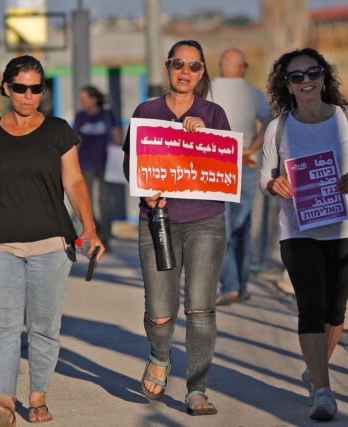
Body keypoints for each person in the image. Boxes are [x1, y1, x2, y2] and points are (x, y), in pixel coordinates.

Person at [0, 55, 104, 427]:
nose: (29, 96)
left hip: (51, 244)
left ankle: (39, 396)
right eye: (21, 88)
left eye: (37, 89)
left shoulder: (59, 130)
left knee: (44, 326)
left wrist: (88, 228)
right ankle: (6, 403)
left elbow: (75, 182)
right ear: (6, 87)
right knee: (3, 324)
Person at [259, 48, 348, 421]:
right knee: (309, 306)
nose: (306, 80)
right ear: (288, 86)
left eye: (313, 72)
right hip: (298, 230)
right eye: (296, 76)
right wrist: (273, 184)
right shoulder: (278, 128)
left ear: (324, 78)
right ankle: (323, 392)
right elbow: (265, 176)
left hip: (346, 227)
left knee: (335, 311)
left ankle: (315, 371)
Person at [122, 39, 230, 416]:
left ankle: (197, 389)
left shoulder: (213, 113)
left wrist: (206, 139)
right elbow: (130, 166)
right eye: (178, 63)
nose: (186, 71)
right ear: (168, 67)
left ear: (202, 73)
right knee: (160, 310)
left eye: (194, 66)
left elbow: (223, 172)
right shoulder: (146, 110)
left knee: (200, 310)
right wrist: (146, 196)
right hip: (158, 222)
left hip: (205, 222)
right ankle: (159, 356)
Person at [209, 48, 272, 306]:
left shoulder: (208, 91)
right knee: (241, 227)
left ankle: (231, 285)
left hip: (215, 164)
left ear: (222, 65)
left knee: (219, 226)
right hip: (246, 162)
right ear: (242, 67)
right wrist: (250, 148)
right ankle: (241, 285)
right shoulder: (255, 94)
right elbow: (270, 123)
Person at [73, 85, 122, 250]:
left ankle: (106, 237)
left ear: (94, 99)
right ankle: (93, 231)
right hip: (85, 163)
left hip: (105, 164)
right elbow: (76, 140)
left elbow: (117, 136)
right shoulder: (80, 116)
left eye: (84, 98)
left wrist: (114, 146)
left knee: (105, 201)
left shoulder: (107, 115)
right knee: (86, 202)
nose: (82, 102)